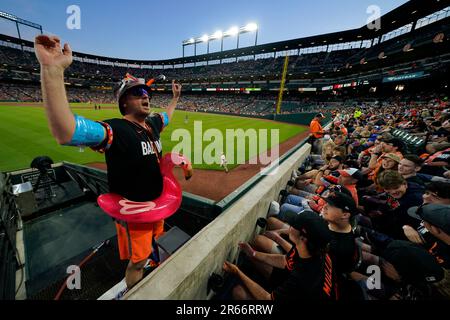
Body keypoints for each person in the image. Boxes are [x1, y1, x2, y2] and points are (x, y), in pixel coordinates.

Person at [34, 34, 182, 291]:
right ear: (124, 101)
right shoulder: (116, 129)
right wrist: (52, 69)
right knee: (137, 262)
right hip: (134, 213)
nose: (145, 96)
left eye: (146, 92)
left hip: (156, 205)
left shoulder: (153, 125)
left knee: (155, 244)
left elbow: (166, 117)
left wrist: (175, 99)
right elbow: (66, 132)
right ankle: (135, 293)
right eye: (138, 93)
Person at [223, 210, 337, 300]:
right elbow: (285, 260)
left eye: (293, 226)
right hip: (301, 291)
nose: (290, 227)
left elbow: (267, 299)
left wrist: (237, 272)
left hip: (299, 292)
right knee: (252, 256)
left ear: (303, 238)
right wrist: (253, 253)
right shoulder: (315, 250)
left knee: (238, 292)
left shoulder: (302, 279)